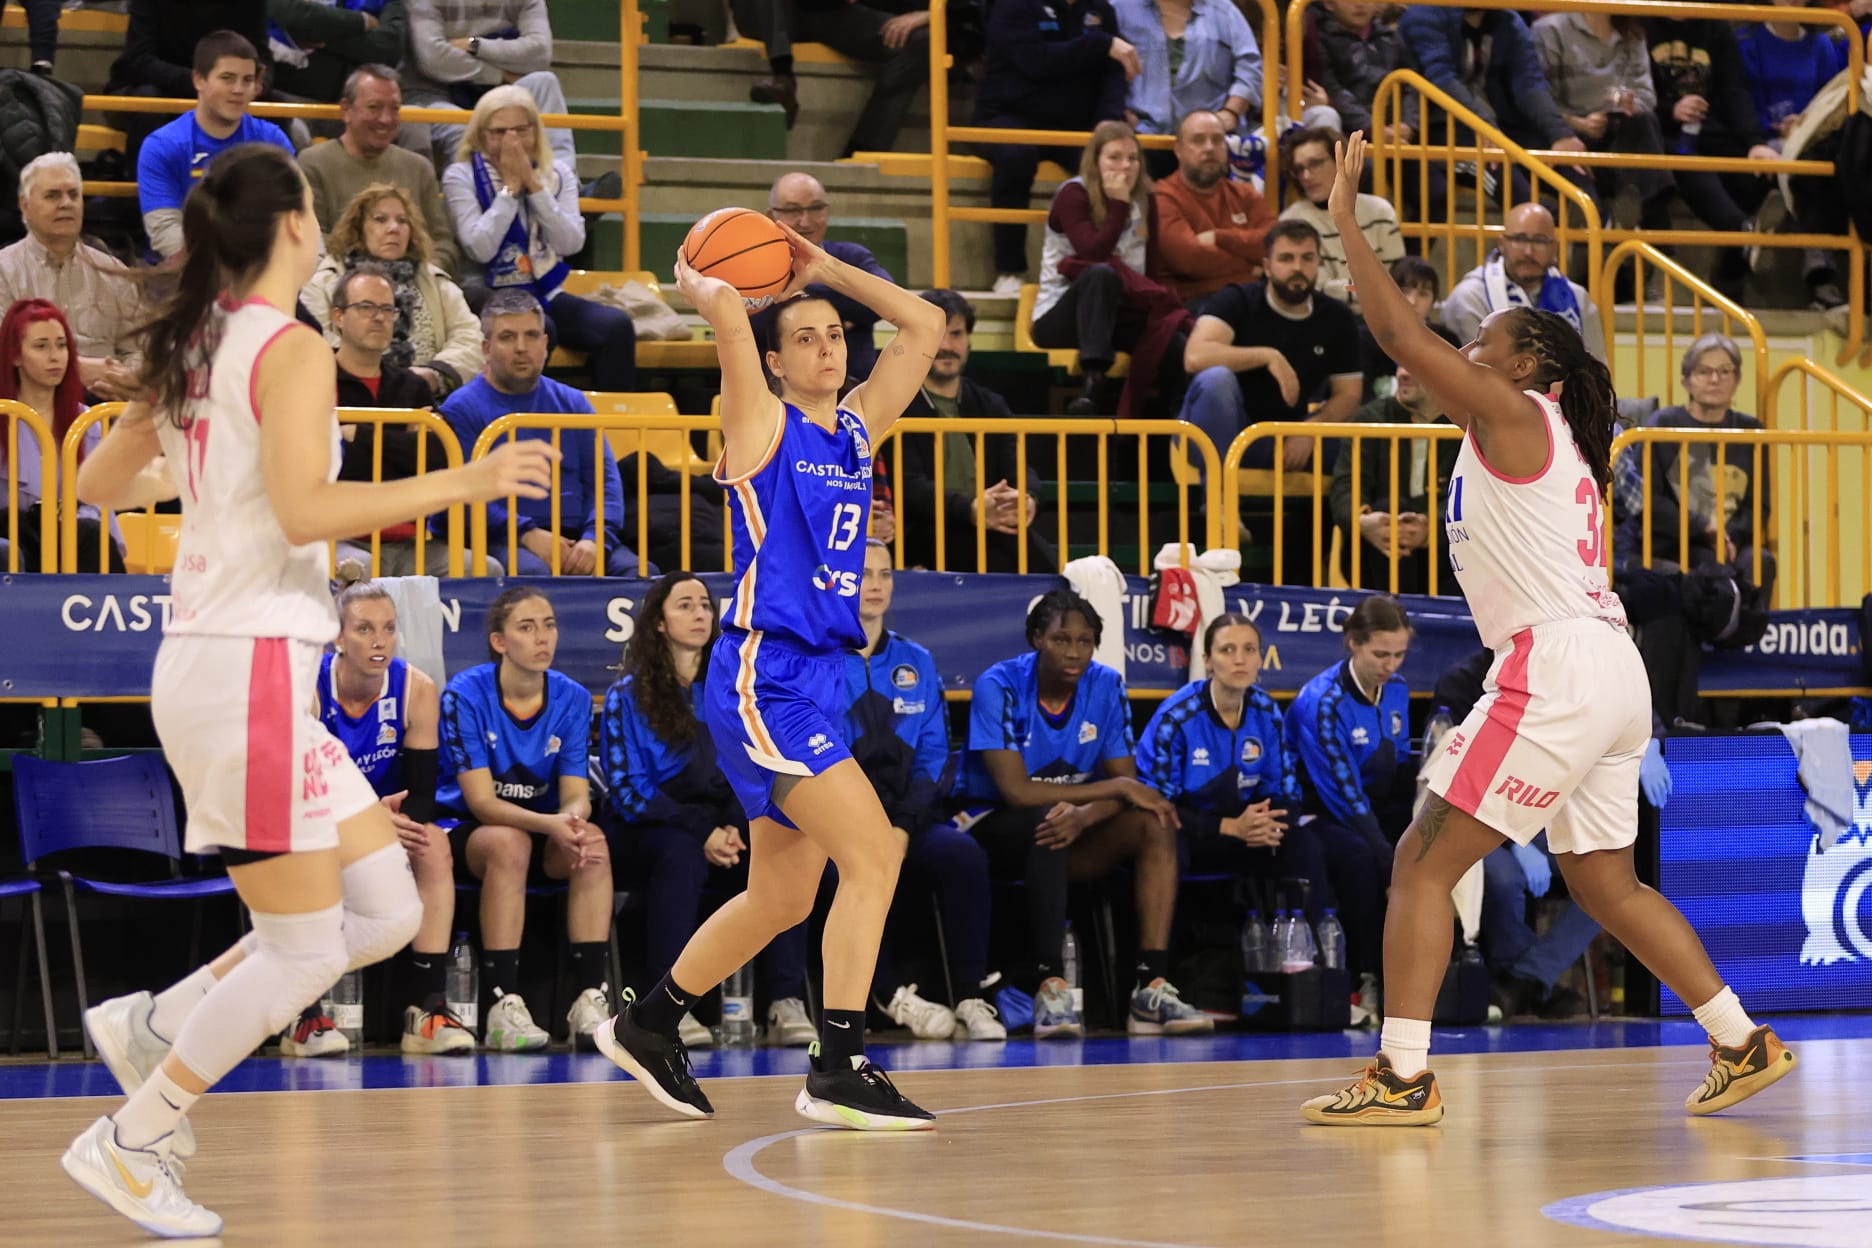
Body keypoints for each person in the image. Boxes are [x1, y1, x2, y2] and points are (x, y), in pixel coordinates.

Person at [60, 141, 553, 1236]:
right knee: (305, 950)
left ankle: (156, 1022)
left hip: (236, 664)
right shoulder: (281, 348)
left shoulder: (202, 341)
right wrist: (464, 477)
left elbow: (94, 482)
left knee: (380, 910)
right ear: (295, 227)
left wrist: (188, 475)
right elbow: (301, 513)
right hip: (244, 665)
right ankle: (133, 1138)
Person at [1300, 132, 1795, 1126]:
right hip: (1607, 671)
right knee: (1604, 882)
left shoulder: (1520, 411)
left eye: (1488, 334)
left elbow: (1401, 339)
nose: (1470, 340)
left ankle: (1402, 1074)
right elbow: (1421, 347)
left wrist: (1344, 223)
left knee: (1421, 862)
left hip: (1557, 665)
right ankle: (1743, 1040)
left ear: (1532, 362)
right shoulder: (1532, 431)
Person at [592, 205, 948, 1129]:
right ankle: (838, 1062)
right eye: (806, 337)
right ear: (777, 359)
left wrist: (821, 265)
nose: (828, 348)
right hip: (766, 674)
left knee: (783, 894)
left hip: (819, 677)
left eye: (834, 335)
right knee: (875, 856)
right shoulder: (760, 429)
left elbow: (925, 326)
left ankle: (653, 1023)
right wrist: (717, 298)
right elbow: (729, 338)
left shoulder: (861, 430)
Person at [959, 589, 1209, 1038]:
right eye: (1061, 640)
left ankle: (1150, 986)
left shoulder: (1106, 684)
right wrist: (1109, 791)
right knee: (1051, 820)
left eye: (1085, 641)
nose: (1074, 652)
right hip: (988, 824)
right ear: (1037, 638)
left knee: (1153, 822)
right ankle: (1051, 985)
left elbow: (1130, 790)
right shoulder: (999, 685)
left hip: (1066, 828)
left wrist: (1090, 813)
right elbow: (1015, 791)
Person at [598, 572, 814, 1053]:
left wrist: (734, 827)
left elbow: (752, 770)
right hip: (650, 826)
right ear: (657, 623)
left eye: (704, 605)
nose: (700, 614)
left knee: (781, 854)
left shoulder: (731, 693)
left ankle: (784, 1000)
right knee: (681, 855)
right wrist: (704, 832)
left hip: (720, 823)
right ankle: (670, 1007)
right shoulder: (627, 695)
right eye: (685, 606)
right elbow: (629, 792)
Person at [436, 587, 613, 1051]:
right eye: (527, 627)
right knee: (507, 842)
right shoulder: (465, 693)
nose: (543, 637)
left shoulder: (571, 697)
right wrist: (553, 824)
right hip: (470, 833)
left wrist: (572, 821)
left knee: (592, 842)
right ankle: (502, 1003)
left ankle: (589, 999)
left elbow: (577, 794)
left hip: (544, 830)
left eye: (550, 624)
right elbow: (481, 803)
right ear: (499, 641)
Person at [845, 540, 1005, 1040]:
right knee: (852, 873)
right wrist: (865, 830)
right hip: (840, 826)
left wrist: (902, 826)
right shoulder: (819, 660)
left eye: (884, 574)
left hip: (906, 822)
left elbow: (935, 756)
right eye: (863, 573)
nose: (874, 584)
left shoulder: (917, 660)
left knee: (962, 856)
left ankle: (969, 994)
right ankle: (887, 993)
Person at [1136, 613, 1332, 969]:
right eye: (1227, 650)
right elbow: (1153, 804)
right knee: (1165, 844)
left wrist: (1267, 824)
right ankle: (1161, 975)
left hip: (1247, 832)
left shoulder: (1266, 710)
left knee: (1305, 844)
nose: (1239, 659)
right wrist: (1226, 827)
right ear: (1208, 661)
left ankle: (1312, 973)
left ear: (1260, 658)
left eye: (1249, 650)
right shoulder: (1176, 717)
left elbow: (1286, 788)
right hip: (1188, 833)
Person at [1612, 333, 1772, 728]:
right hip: (1670, 543)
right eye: (1704, 371)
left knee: (1761, 562)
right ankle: (1684, 713)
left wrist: (1729, 534)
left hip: (1728, 547)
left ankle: (1732, 643)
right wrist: (1705, 529)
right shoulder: (1663, 425)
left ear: (1736, 380)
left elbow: (1759, 507)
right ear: (1686, 380)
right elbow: (1650, 505)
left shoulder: (1751, 431)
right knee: (1689, 577)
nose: (1714, 379)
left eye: (1724, 371)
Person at [443, 86, 638, 393]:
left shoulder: (556, 174)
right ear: (481, 136)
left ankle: (610, 431)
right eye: (499, 132)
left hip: (545, 287)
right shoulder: (461, 175)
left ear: (536, 132)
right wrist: (509, 191)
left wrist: (533, 187)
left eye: (521, 130)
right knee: (538, 329)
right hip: (485, 289)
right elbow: (479, 248)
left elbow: (572, 242)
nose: (512, 140)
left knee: (615, 327)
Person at [442, 289, 648, 577]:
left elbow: (605, 482)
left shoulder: (574, 403)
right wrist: (526, 533)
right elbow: (459, 495)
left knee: (640, 574)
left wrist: (595, 539)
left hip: (578, 537)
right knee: (534, 573)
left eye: (531, 335)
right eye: (507, 337)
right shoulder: (460, 409)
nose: (521, 347)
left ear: (545, 343)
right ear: (486, 348)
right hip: (501, 538)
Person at [1285, 597, 1414, 1012]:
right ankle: (1367, 978)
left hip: (1372, 808)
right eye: (1380, 654)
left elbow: (1403, 770)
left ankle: (1448, 978)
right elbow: (1344, 795)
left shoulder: (1397, 690)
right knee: (1363, 858)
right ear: (1352, 643)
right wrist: (1391, 858)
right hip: (1317, 811)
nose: (1390, 665)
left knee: (1437, 847)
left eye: (1398, 654)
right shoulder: (1322, 703)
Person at [326, 262, 486, 579]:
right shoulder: (315, 380)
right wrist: (404, 446)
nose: (380, 317)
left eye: (388, 309)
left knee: (483, 569)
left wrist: (361, 436)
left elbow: (438, 459)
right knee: (357, 572)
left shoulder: (411, 386)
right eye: (367, 307)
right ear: (338, 317)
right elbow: (333, 466)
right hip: (340, 536)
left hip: (412, 542)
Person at [1030, 120, 1193, 419]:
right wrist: (1117, 205)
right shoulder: (1073, 194)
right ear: (1096, 161)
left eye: (1132, 158)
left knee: (1171, 337)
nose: (1125, 167)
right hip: (1062, 316)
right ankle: (1093, 383)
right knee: (1102, 274)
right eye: (1114, 157)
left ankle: (1177, 418)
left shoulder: (1146, 199)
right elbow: (1093, 252)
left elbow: (1149, 270)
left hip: (1120, 313)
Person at [888, 289, 1057, 573]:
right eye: (937, 335)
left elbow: (1015, 463)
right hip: (923, 530)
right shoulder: (897, 402)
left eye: (956, 335)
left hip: (987, 523)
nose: (946, 346)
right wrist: (970, 509)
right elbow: (908, 486)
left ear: (968, 342)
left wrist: (1026, 496)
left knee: (1052, 570)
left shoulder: (989, 403)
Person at [973, 0, 1134, 295]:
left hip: (1074, 122)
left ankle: (1113, 265)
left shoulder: (1100, 9)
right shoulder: (1011, 5)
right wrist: (1100, 44)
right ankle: (1010, 268)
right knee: (1016, 156)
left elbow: (1114, 71)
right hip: (1008, 114)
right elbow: (1034, 60)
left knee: (1116, 160)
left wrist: (1108, 118)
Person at [1178, 218, 1363, 474]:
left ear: (1318, 263)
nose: (1297, 267)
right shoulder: (1236, 300)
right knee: (1216, 379)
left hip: (1286, 437)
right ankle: (1217, 503)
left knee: (1363, 446)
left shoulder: (1336, 317)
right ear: (1267, 266)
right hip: (1219, 434)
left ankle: (1370, 513)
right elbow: (1195, 357)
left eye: (1307, 258)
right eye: (1286, 259)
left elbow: (1349, 394)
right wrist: (1267, 356)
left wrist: (1311, 428)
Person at [303, 183, 483, 398]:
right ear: (358, 228)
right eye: (380, 219)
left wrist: (436, 374)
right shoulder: (324, 282)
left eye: (402, 221)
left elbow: (470, 337)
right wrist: (381, 375)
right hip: (349, 396)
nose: (394, 228)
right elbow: (315, 342)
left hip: (430, 400)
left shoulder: (436, 281)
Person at [1645, 17, 1780, 300]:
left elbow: (1735, 90)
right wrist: (1670, 109)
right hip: (1658, 132)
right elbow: (1636, 94)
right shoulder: (1642, 19)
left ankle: (1730, 272)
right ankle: (1743, 237)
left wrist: (1756, 143)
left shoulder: (1716, 25)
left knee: (1762, 171)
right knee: (1687, 164)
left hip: (1707, 127)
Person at [138, 31, 296, 262]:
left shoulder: (272, 142)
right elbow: (166, 233)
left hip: (257, 270)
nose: (239, 90)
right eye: (227, 78)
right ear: (198, 80)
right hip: (183, 272)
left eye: (247, 80)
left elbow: (295, 215)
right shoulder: (163, 145)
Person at [0, 154, 144, 402]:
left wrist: (126, 377)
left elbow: (139, 349)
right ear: (25, 206)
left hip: (105, 407)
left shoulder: (114, 273)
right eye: (52, 195)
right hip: (25, 409)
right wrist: (75, 370)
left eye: (73, 195)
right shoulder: (4, 271)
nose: (65, 203)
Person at [1737, 3, 1852, 310]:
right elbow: (1745, 102)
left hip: (1811, 141)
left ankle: (1774, 234)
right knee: (1795, 164)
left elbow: (1830, 101)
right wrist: (1772, 130)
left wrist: (1805, 124)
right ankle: (1819, 272)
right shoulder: (1748, 42)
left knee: (1817, 164)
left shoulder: (1823, 45)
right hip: (1767, 142)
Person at [298, 65, 463, 279]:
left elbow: (442, 242)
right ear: (346, 110)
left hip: (415, 288)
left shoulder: (419, 167)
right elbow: (315, 240)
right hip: (340, 289)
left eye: (394, 108)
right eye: (374, 107)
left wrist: (420, 274)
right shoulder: (313, 163)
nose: (386, 119)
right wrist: (375, 275)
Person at [0, 298, 123, 573]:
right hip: (11, 542)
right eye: (41, 346)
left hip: (73, 541)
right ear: (15, 356)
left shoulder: (88, 422)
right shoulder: (2, 414)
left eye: (61, 345)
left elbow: (99, 504)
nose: (55, 356)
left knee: (91, 536)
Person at [1532, 11, 1677, 233]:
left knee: (1644, 122)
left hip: (1619, 129)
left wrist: (1629, 105)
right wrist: (1579, 123)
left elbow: (1646, 96)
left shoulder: (1632, 33)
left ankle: (1627, 222)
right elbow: (1541, 100)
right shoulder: (1549, 29)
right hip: (1570, 131)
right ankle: (1643, 235)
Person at [731, 0, 930, 157]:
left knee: (921, 41)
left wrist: (933, 12)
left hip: (829, 13)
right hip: (766, 13)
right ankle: (783, 77)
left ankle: (863, 149)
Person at [749, 173, 893, 384]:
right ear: (771, 216)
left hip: (855, 398)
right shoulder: (752, 265)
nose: (805, 220)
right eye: (792, 210)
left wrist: (800, 291)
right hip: (776, 399)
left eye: (816, 208)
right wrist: (847, 304)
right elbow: (753, 323)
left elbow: (887, 300)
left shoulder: (852, 256)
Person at [1329, 365, 1460, 594]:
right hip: (1374, 553)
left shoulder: (1466, 426)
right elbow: (1346, 484)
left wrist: (1430, 528)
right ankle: (1395, 617)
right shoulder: (1370, 418)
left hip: (1445, 553)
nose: (1403, 373)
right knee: (1390, 510)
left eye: (1413, 363)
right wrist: (1364, 521)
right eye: (1400, 364)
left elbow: (1469, 495)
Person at [400, 0, 577, 168]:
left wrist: (475, 45)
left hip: (500, 93)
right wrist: (498, 74)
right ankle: (466, 198)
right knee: (466, 130)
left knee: (545, 82)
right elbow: (434, 59)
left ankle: (562, 183)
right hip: (435, 93)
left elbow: (540, 52)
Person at [1439, 204, 1608, 365]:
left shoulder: (1578, 299)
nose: (1528, 251)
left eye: (1540, 241)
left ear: (1555, 248)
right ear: (1501, 244)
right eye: (1519, 239)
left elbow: (1599, 373)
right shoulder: (1471, 297)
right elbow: (1474, 374)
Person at [105, 1, 272, 162]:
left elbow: (262, 57)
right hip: (152, 88)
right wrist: (206, 84)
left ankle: (274, 189)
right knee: (148, 104)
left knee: (276, 106)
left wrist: (258, 85)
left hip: (224, 88)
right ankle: (144, 188)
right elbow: (139, 61)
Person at [1109, 0, 1263, 166]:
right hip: (1138, 139)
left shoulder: (1225, 12)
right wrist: (1117, 111)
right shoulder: (1118, 8)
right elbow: (1094, 65)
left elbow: (1250, 66)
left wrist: (1231, 112)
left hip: (1208, 145)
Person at [1150, 108, 1277, 306]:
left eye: (1217, 140)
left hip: (1253, 296)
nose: (1209, 148)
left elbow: (1273, 244)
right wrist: (1250, 268)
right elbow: (1189, 260)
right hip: (1193, 304)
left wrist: (1220, 237)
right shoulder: (1163, 197)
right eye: (1198, 140)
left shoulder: (1245, 194)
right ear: (1178, 150)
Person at [1279, 126, 1402, 308]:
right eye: (1299, 169)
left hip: (1384, 319)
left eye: (1315, 163)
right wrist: (1369, 288)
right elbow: (1314, 291)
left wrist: (1344, 288)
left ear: (1341, 161)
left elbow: (1398, 284)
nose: (1306, 175)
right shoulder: (1292, 220)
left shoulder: (1380, 212)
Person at [1305, 0, 1416, 146]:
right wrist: (1372, 128)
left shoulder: (1391, 37)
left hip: (1396, 135)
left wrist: (1408, 124)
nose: (1360, 4)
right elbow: (1333, 89)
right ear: (1329, 4)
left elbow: (1411, 84)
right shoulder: (1319, 39)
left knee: (1430, 166)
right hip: (1350, 134)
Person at [1358, 256, 1461, 401]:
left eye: (1423, 294)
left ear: (1434, 301)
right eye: (1405, 291)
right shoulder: (1365, 340)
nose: (1412, 301)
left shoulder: (1448, 342)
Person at [266, 0, 407, 104]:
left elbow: (389, 46)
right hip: (289, 97)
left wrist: (321, 34)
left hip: (363, 102)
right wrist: (362, 22)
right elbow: (295, 16)